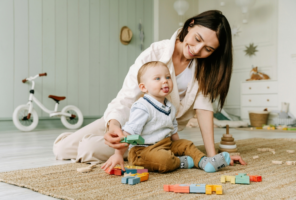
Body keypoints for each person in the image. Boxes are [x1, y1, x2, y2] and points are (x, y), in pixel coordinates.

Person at [53, 10, 246, 166]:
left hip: (158, 134)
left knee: (89, 149)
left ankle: (147, 152)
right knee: (61, 149)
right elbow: (126, 97)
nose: (197, 50)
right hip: (130, 118)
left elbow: (204, 111)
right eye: (197, 39)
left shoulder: (205, 70)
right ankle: (123, 145)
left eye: (208, 49)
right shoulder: (155, 52)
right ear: (191, 24)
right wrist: (113, 125)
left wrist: (212, 156)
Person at [101, 61, 236, 173]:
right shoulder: (142, 107)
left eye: (168, 77)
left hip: (165, 144)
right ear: (143, 87)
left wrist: (179, 147)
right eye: (158, 79)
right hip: (143, 151)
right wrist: (118, 155)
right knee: (164, 160)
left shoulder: (170, 106)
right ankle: (182, 162)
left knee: (187, 144)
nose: (165, 81)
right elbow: (128, 133)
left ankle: (204, 161)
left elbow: (173, 130)